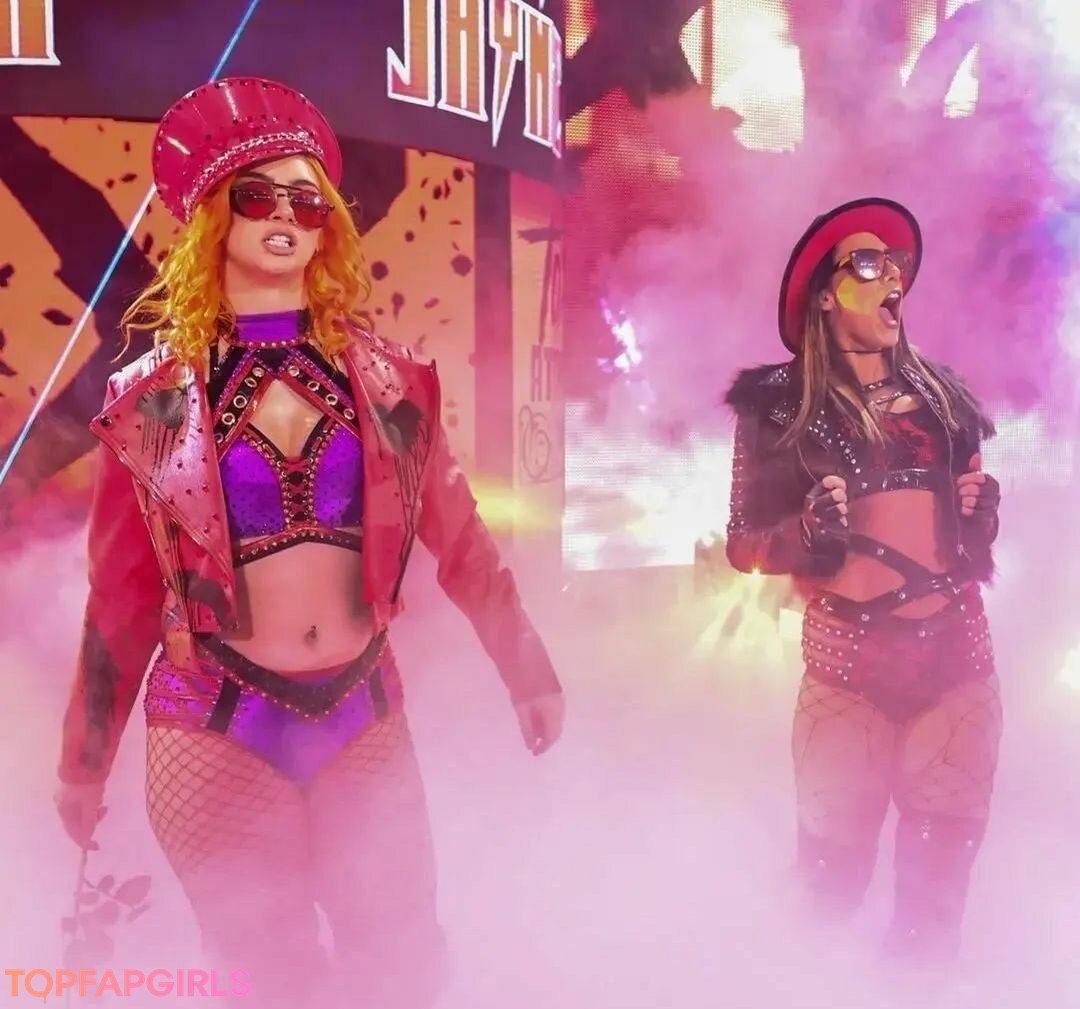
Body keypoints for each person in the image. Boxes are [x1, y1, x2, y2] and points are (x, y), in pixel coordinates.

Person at [53, 77, 565, 1008]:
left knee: (401, 962)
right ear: (216, 217)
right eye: (259, 196)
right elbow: (118, 602)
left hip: (362, 706)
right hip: (213, 721)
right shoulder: (153, 401)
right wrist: (82, 765)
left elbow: (462, 541)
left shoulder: (390, 379)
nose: (286, 215)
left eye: (307, 200)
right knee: (268, 975)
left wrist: (526, 667)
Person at [724, 197, 1002, 964]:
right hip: (847, 674)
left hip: (957, 667)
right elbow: (743, 544)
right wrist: (804, 534)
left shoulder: (947, 398)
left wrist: (981, 519)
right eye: (871, 264)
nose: (895, 281)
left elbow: (973, 542)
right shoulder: (777, 407)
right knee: (827, 890)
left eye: (899, 267)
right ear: (824, 293)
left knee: (931, 914)